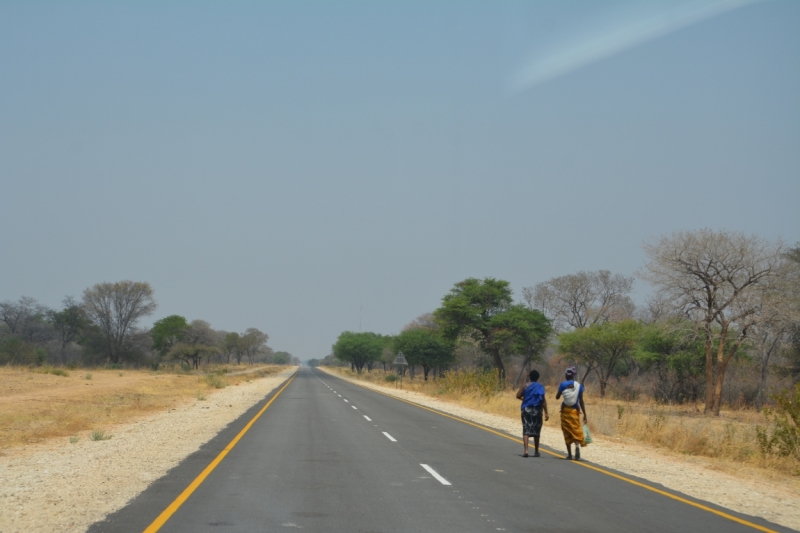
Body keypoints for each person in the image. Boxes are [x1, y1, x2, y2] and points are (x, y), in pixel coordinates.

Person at [555, 366, 587, 460]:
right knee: (575, 430)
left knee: (567, 431)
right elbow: (581, 401)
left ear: (566, 375)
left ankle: (569, 455)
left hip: (565, 412)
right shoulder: (579, 386)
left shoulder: (562, 385)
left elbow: (557, 397)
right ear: (573, 376)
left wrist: (563, 393)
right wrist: (585, 414)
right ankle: (577, 445)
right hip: (574, 412)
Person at [515, 369, 549, 457]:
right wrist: (546, 413)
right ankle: (536, 451)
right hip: (537, 410)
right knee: (536, 430)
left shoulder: (525, 385)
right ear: (538, 378)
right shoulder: (540, 387)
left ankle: (526, 450)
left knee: (526, 429)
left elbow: (518, 395)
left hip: (526, 409)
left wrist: (524, 399)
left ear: (530, 377)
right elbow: (543, 401)